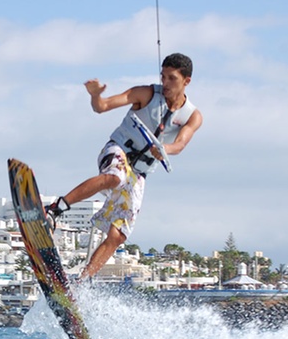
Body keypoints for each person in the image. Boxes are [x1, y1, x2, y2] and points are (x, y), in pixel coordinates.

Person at [46, 53, 203, 279]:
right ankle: (55, 210)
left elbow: (180, 144)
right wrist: (96, 96)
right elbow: (102, 107)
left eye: (172, 78)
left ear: (186, 81)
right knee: (115, 176)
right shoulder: (146, 94)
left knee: (118, 235)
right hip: (117, 151)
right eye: (163, 76)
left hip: (138, 172)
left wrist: (164, 149)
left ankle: (81, 283)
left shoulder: (193, 116)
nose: (165, 83)